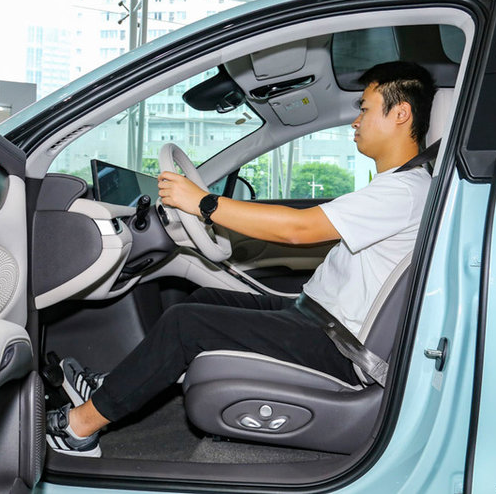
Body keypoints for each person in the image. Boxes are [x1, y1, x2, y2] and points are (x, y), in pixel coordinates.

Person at [46, 61, 437, 457]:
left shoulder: (404, 191)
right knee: (202, 300)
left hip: (338, 345)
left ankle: (80, 428)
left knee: (185, 324)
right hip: (317, 316)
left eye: (365, 109)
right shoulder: (399, 185)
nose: (356, 120)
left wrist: (204, 203)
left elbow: (299, 229)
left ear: (400, 113)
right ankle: (115, 386)